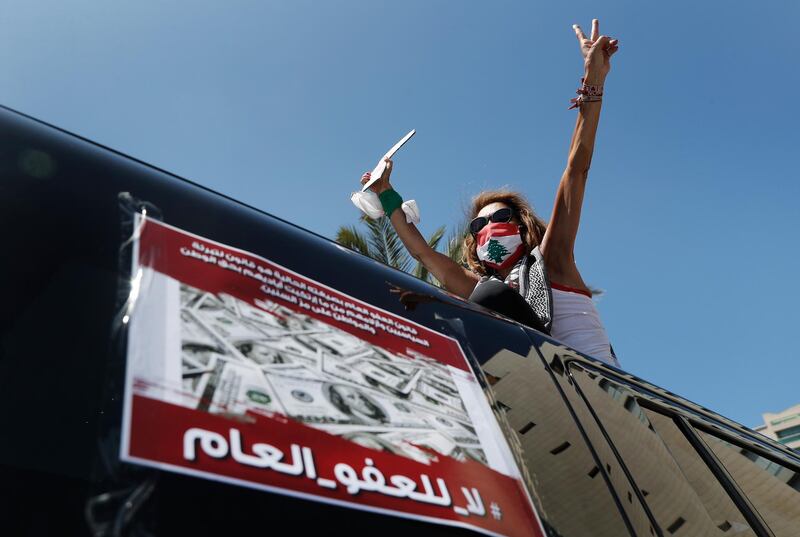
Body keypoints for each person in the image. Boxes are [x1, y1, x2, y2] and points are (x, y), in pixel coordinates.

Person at [358, 19, 620, 367]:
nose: (488, 228)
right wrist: (385, 191)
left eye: (499, 217)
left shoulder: (553, 259)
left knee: (491, 295)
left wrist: (594, 82)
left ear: (521, 224)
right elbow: (423, 254)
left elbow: (576, 171)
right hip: (541, 397)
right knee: (483, 299)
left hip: (602, 392)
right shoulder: (485, 290)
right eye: (477, 226)